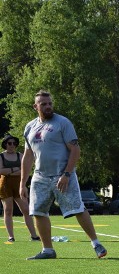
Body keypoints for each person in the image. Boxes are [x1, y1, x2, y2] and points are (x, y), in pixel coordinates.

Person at [20, 91, 107, 260]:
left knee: (77, 208)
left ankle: (96, 243)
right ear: (35, 106)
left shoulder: (62, 123)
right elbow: (28, 155)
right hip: (40, 176)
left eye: (49, 103)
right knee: (38, 212)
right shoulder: (29, 127)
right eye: (43, 104)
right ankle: (48, 250)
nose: (48, 106)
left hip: (62, 175)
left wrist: (67, 174)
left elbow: (75, 149)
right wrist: (23, 182)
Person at [0, 134, 39, 242]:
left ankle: (34, 235)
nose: (12, 145)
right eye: (9, 143)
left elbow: (26, 170)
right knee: (8, 211)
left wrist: (10, 171)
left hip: (20, 184)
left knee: (26, 210)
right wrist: (16, 169)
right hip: (5, 185)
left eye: (14, 143)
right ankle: (11, 236)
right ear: (5, 144)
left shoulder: (20, 155)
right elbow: (1, 171)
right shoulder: (1, 156)